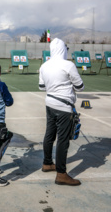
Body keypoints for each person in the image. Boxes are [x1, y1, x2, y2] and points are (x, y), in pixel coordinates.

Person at [39, 38, 84, 186]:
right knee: (63, 139)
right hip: (64, 107)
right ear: (63, 50)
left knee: (49, 134)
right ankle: (61, 174)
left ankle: (47, 163)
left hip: (50, 104)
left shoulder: (44, 66)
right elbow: (80, 86)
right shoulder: (68, 65)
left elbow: (41, 87)